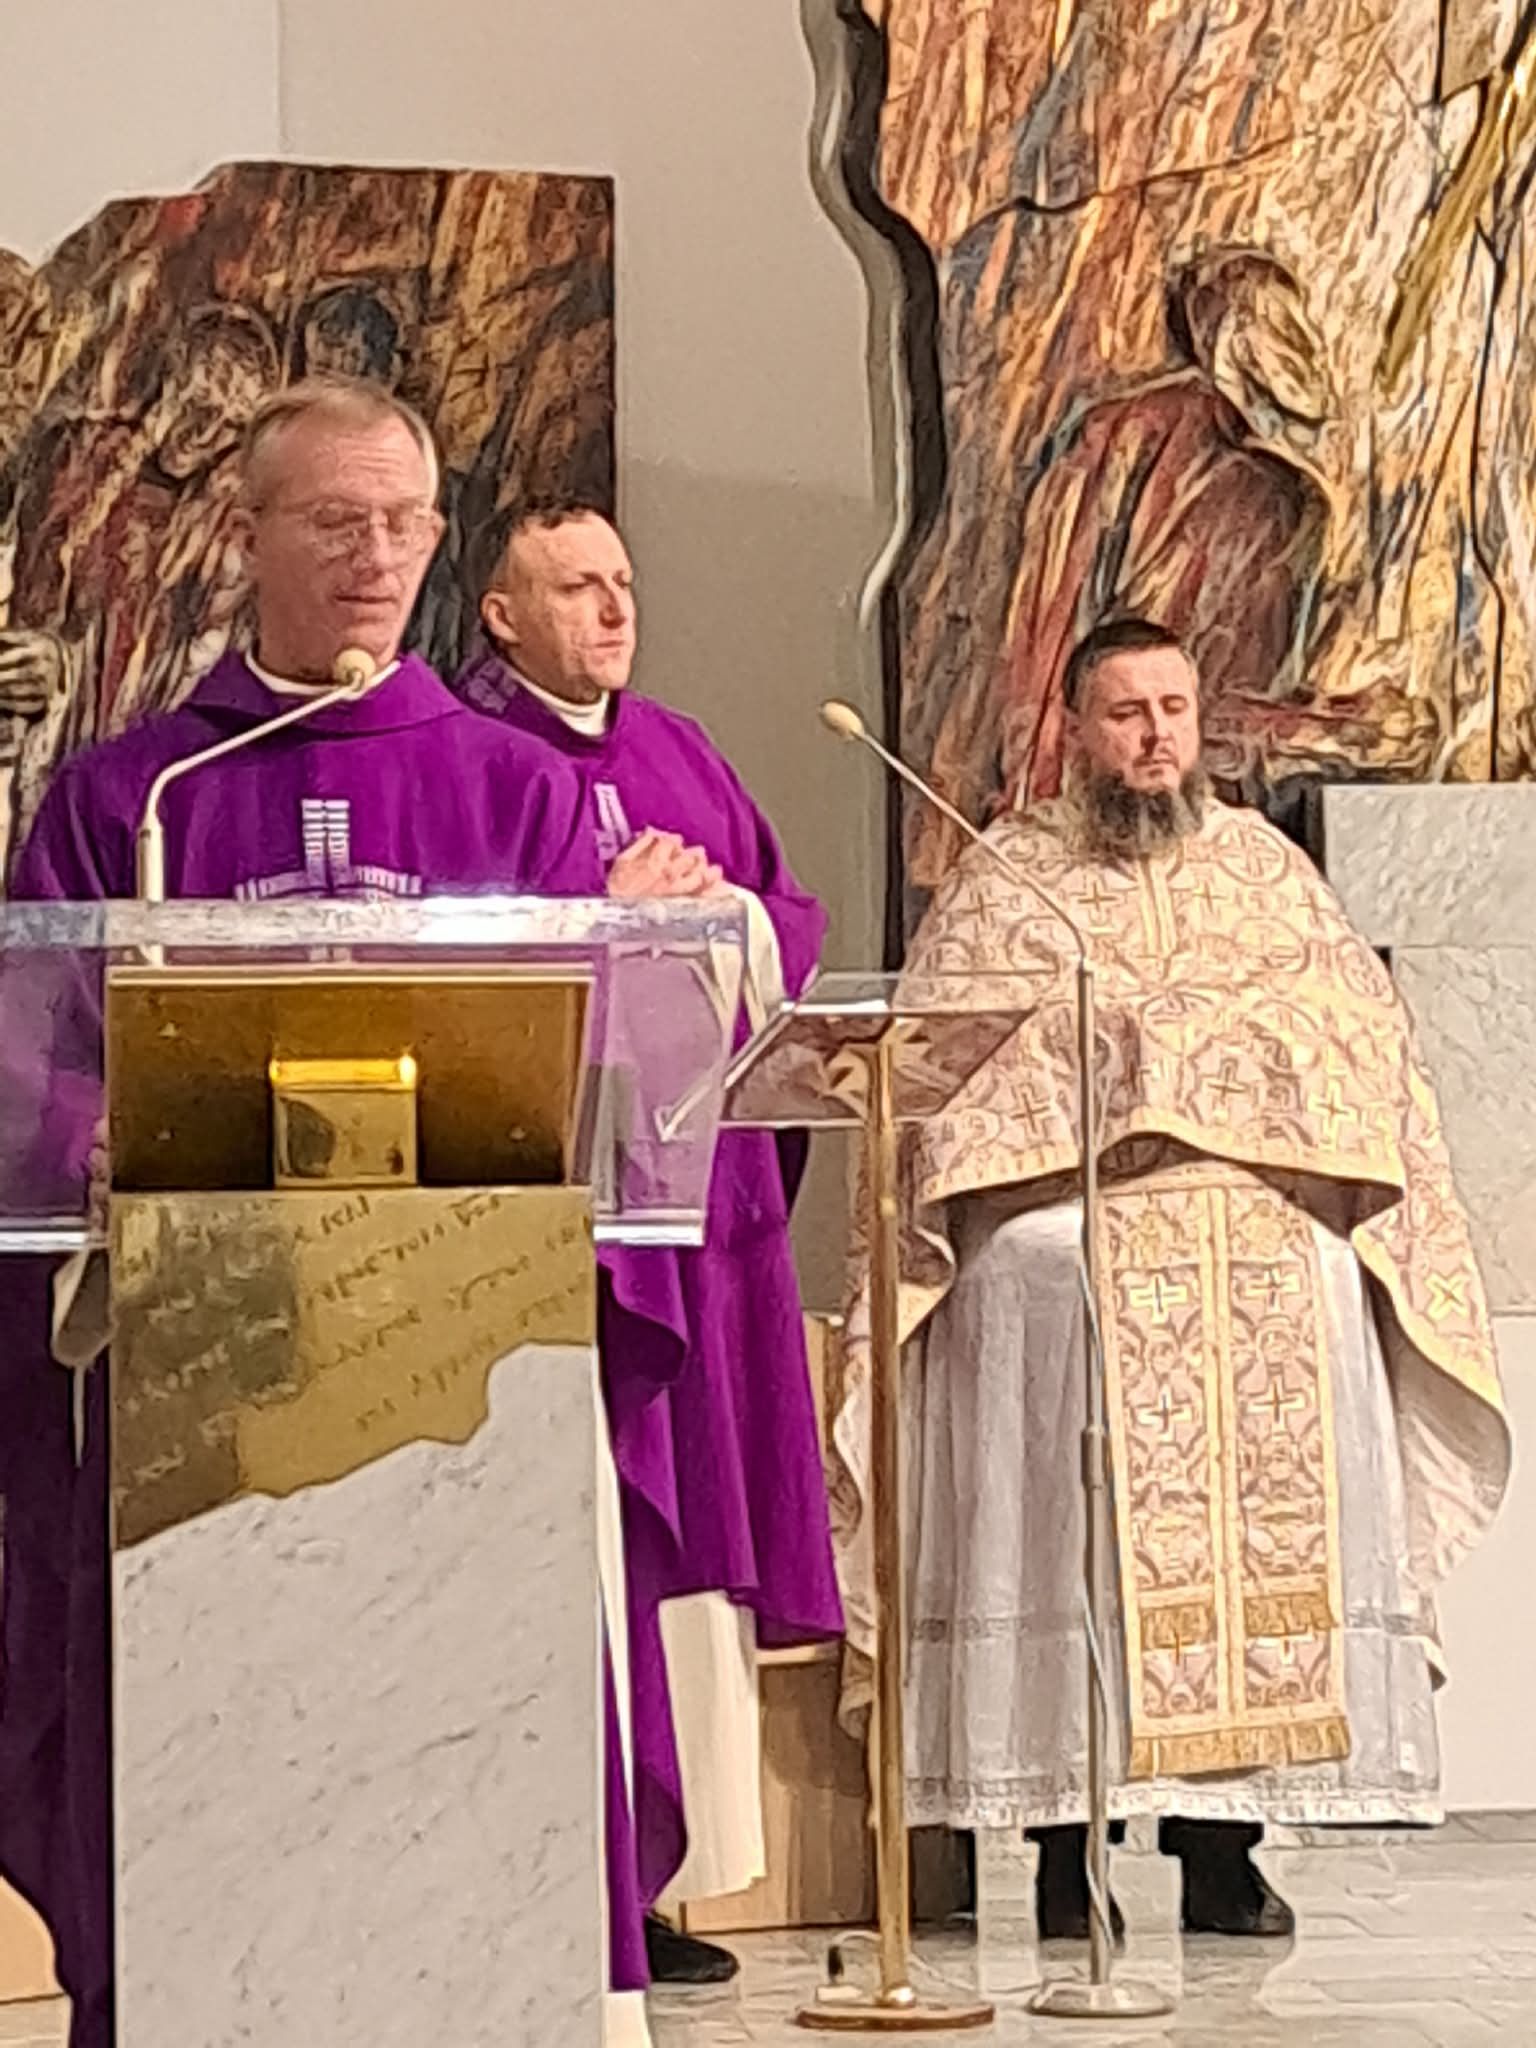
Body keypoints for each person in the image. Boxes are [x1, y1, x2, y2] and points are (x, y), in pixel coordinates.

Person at [0, 379, 701, 2048]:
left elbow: (605, 1080)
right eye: (334, 521)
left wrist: (645, 960)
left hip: (459, 1360)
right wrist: (96, 1144)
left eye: (402, 523)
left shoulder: (518, 791)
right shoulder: (137, 798)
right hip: (208, 1363)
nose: (376, 556)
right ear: (246, 537)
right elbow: (36, 1051)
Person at [831, 616, 1510, 1939]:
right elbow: (943, 1078)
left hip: (1250, 1219)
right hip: (1054, 1221)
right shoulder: (1007, 882)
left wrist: (1179, 1063)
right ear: (1074, 732)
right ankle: (1058, 1844)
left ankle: (1222, 1848)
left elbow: (1358, 1044)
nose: (1155, 738)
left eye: (1175, 711)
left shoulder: (1265, 873)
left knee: (1319, 1284)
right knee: (1044, 1343)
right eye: (1126, 713)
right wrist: (1120, 1070)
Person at [456, 502, 844, 1982]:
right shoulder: (471, 765)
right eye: (576, 587)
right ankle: (571, 1871)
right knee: (597, 1529)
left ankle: (664, 1883)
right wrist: (599, 916)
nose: (614, 611)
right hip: (567, 1218)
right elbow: (455, 954)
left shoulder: (681, 749)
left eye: (622, 582)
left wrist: (729, 914)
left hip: (705, 1214)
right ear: (501, 614)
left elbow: (786, 915)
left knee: (686, 1539)